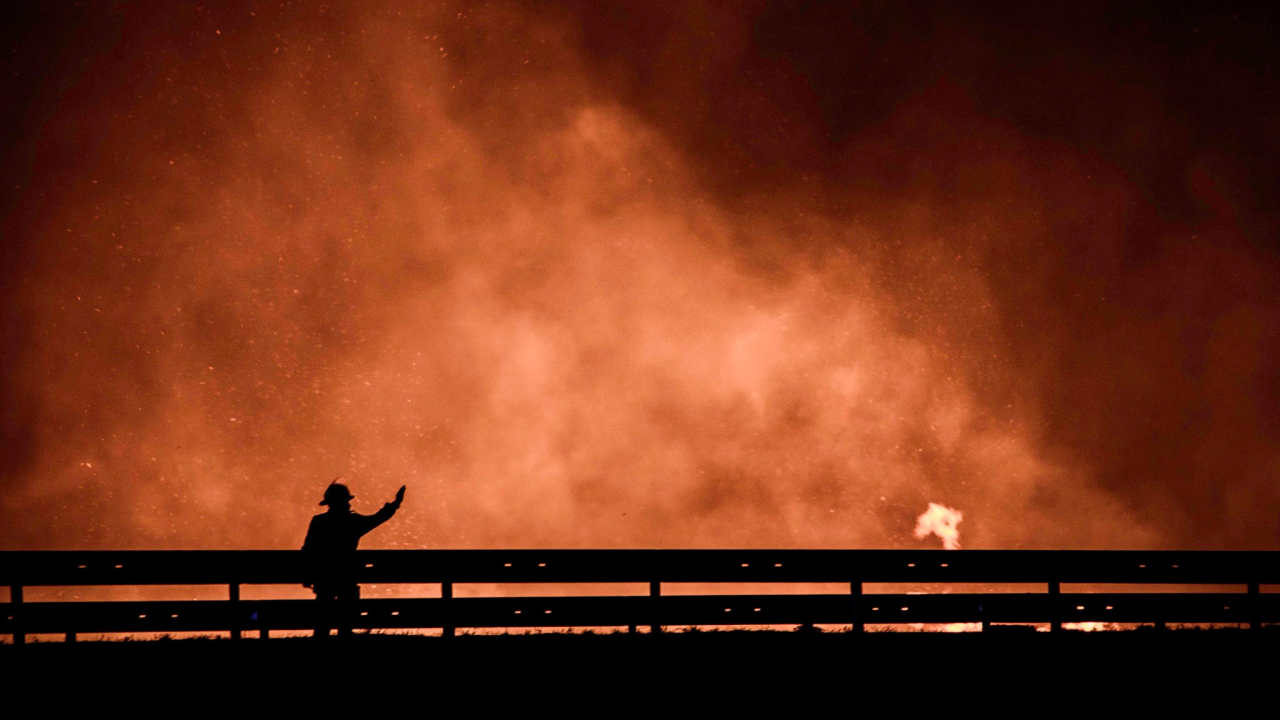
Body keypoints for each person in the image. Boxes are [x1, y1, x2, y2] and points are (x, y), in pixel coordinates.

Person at [302, 481, 406, 636]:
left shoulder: (319, 521)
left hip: (324, 577)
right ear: (346, 501)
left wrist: (307, 574)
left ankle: (321, 638)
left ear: (328, 503)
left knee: (323, 616)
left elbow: (307, 549)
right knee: (346, 615)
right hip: (347, 577)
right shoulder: (354, 522)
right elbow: (378, 518)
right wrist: (395, 504)